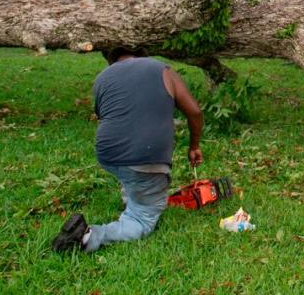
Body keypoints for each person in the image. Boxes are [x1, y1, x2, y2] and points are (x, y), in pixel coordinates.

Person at [51, 47, 204, 252]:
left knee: (131, 172)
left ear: (114, 62)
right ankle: (89, 238)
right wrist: (194, 146)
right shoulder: (161, 68)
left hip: (108, 154)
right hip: (145, 156)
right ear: (142, 56)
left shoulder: (102, 78)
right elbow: (194, 111)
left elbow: (108, 116)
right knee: (142, 219)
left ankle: (134, 196)